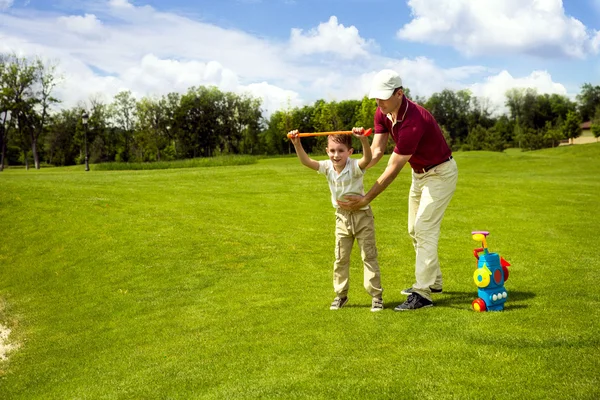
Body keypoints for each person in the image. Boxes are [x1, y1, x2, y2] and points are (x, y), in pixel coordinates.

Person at [337, 69, 458, 311]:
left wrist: (365, 199)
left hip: (440, 174)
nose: (378, 102)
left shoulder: (415, 121)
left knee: (424, 228)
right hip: (419, 174)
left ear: (400, 93)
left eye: (383, 97)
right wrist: (356, 168)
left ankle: (422, 293)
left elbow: (392, 168)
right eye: (376, 97)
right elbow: (378, 151)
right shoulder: (382, 112)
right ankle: (434, 281)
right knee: (414, 229)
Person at [288, 130, 384, 312]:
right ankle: (341, 295)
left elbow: (368, 157)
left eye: (340, 151)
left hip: (362, 217)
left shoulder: (355, 166)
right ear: (327, 151)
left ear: (349, 152)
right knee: (340, 258)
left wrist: (364, 140)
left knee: (369, 256)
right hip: (341, 218)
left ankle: (376, 296)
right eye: (332, 151)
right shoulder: (326, 167)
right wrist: (297, 143)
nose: (336, 155)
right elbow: (306, 162)